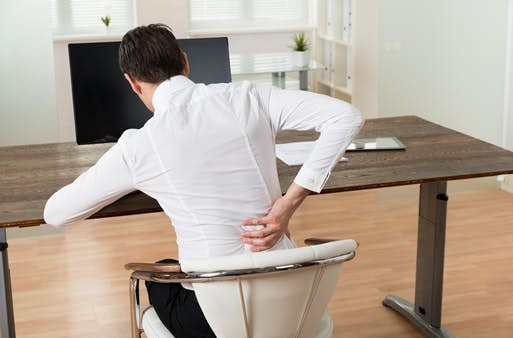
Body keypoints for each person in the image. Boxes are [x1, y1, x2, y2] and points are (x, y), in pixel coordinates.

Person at [44, 24, 364, 337]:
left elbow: (55, 214)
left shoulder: (138, 147)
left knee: (157, 276)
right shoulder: (248, 98)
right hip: (294, 299)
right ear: (185, 61)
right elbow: (346, 117)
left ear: (132, 83)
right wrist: (287, 204)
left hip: (216, 319)